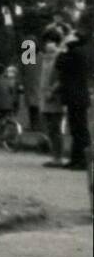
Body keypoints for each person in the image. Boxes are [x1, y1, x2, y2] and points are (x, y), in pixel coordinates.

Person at [54, 31, 91, 170]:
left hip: (75, 96)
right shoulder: (80, 52)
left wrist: (63, 46)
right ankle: (76, 159)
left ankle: (82, 160)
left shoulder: (75, 52)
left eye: (71, 35)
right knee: (77, 129)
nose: (67, 37)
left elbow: (59, 63)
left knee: (79, 130)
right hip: (78, 96)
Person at [38, 29, 66, 167]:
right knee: (50, 128)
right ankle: (54, 155)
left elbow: (62, 78)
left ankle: (59, 157)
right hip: (44, 97)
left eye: (51, 42)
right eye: (47, 42)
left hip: (56, 97)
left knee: (56, 128)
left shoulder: (60, 56)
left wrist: (52, 91)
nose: (48, 45)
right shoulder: (44, 58)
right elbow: (28, 61)